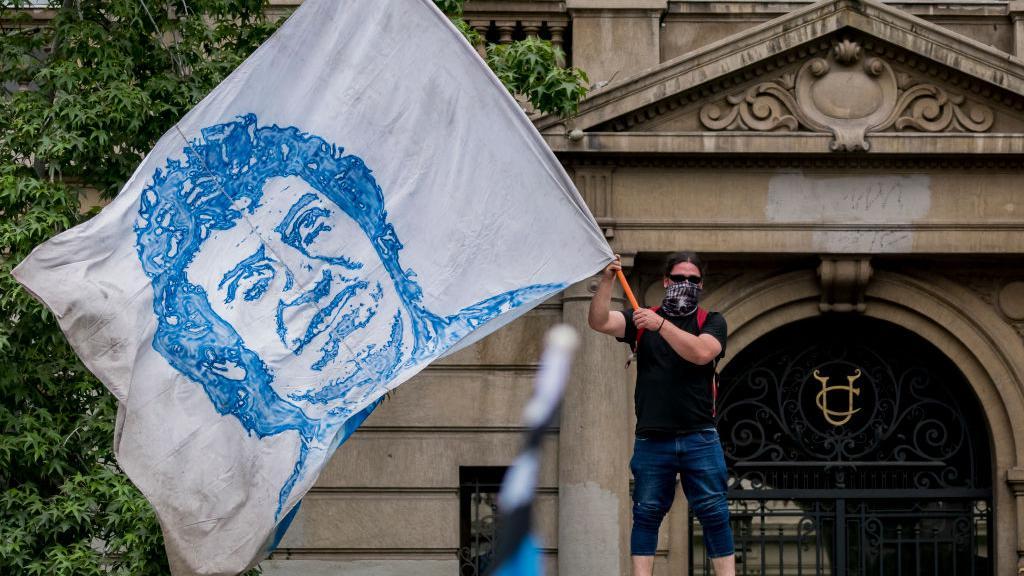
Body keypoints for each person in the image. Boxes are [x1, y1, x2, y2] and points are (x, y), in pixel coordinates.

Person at [134, 115, 561, 517]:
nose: (308, 278)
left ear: (368, 220)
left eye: (313, 226)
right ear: (225, 358)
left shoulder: (516, 302)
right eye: (255, 284)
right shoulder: (267, 511)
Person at [588, 252, 736, 576]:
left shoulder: (711, 321)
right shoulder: (641, 320)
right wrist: (607, 279)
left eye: (693, 280)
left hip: (700, 436)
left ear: (701, 285)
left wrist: (661, 325)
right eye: (679, 278)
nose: (686, 284)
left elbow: (700, 353)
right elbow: (598, 321)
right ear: (666, 281)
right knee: (646, 514)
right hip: (653, 439)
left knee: (714, 513)